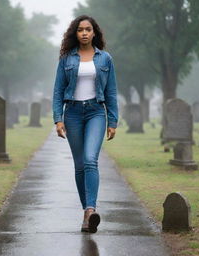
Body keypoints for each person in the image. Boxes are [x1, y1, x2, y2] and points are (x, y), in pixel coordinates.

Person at [52, 15, 119, 233]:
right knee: (80, 165)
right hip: (72, 113)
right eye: (80, 30)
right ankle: (86, 214)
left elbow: (111, 92)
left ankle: (91, 209)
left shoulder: (105, 59)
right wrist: (58, 119)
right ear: (75, 33)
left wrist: (113, 120)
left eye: (88, 29)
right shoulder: (66, 59)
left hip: (95, 113)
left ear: (94, 33)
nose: (84, 33)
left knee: (91, 160)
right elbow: (57, 91)